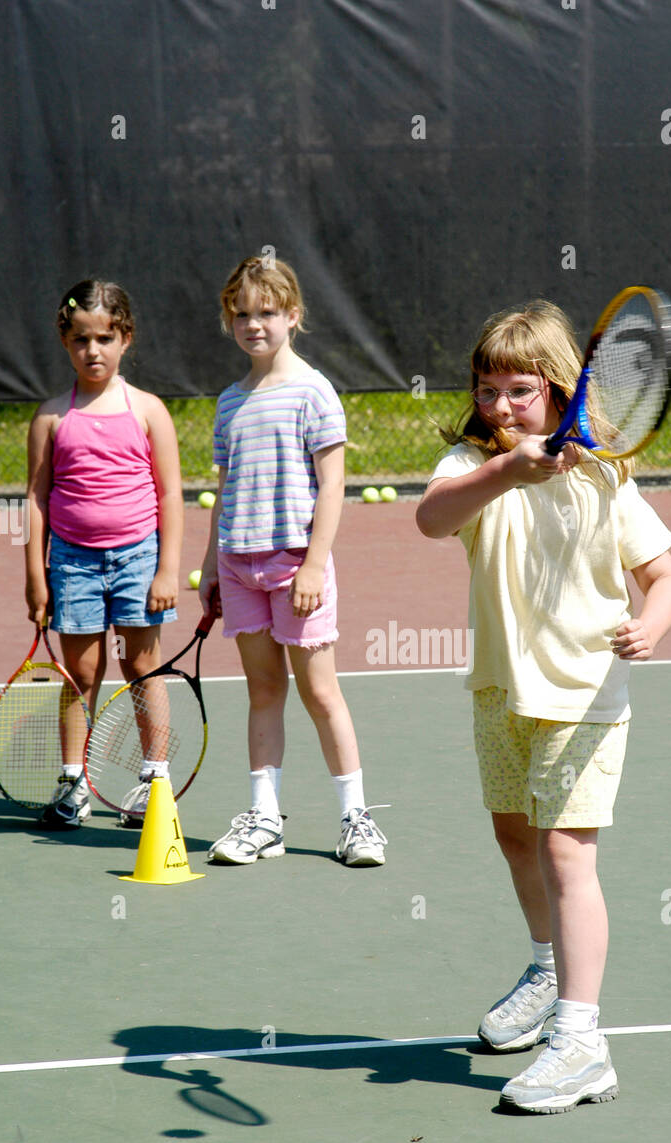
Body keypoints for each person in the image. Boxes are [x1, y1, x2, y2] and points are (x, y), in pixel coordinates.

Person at [415, 300, 671, 1113]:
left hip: (585, 695)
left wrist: (653, 626)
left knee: (568, 856)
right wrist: (507, 467)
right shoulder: (471, 464)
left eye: (522, 389)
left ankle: (581, 1042)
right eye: (488, 387)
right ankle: (546, 969)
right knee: (514, 837)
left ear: (564, 390)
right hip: (502, 690)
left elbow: (667, 576)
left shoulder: (606, 476)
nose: (501, 404)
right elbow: (431, 520)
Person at [198, 255, 386, 867]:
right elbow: (224, 492)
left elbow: (333, 486)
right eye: (242, 314)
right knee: (263, 691)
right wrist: (210, 567)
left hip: (297, 566)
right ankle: (264, 819)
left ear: (294, 316)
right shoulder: (228, 401)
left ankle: (355, 819)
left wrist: (312, 565)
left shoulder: (315, 391)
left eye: (267, 312)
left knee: (321, 693)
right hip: (238, 567)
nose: (254, 324)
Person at [25, 280, 183, 828]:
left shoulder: (149, 411)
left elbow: (168, 493)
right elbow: (37, 499)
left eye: (105, 338)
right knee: (80, 674)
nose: (93, 350)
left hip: (140, 558)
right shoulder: (50, 417)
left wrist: (166, 568)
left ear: (126, 337)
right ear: (65, 343)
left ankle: (154, 781)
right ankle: (73, 784)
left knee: (144, 668)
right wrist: (36, 578)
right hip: (72, 562)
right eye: (80, 340)